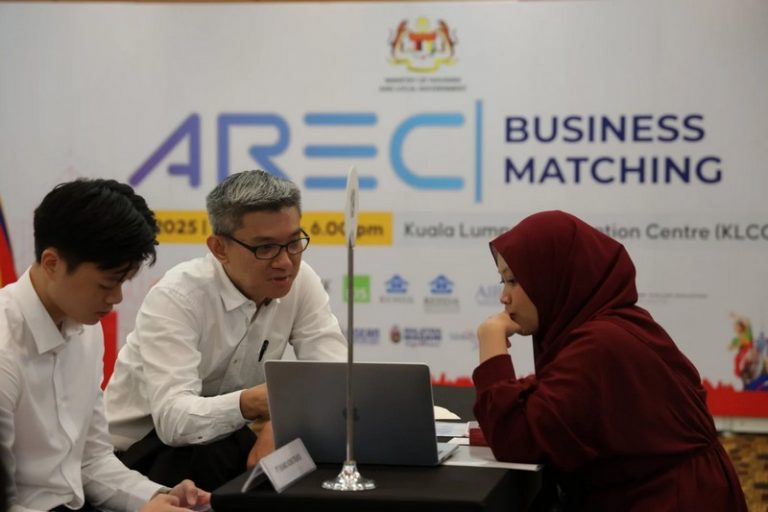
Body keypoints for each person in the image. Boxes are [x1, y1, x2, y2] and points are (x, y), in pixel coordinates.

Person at [473, 210, 748, 511]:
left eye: (513, 281)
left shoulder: (599, 345)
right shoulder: (608, 327)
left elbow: (515, 441)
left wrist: (491, 342)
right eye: (503, 281)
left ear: (554, 277)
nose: (504, 297)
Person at [105, 169, 347, 489]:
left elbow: (335, 377)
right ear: (219, 248)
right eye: (265, 248)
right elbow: (173, 421)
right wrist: (255, 402)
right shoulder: (177, 296)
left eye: (294, 243)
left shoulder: (301, 282)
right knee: (219, 456)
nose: (285, 262)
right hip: (138, 457)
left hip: (227, 443)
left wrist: (279, 422)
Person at [0, 179, 210, 512]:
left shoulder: (86, 330)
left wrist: (158, 496)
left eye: (124, 282)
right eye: (106, 284)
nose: (116, 298)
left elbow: (92, 460)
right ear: (52, 263)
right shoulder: (4, 348)